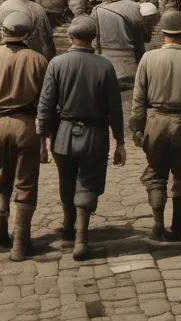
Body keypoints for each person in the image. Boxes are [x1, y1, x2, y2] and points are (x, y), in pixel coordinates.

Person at [37, 15, 125, 261]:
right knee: (87, 182)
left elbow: (45, 104)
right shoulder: (105, 66)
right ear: (93, 39)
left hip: (63, 135)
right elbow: (114, 109)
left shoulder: (57, 63)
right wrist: (120, 140)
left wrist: (43, 137)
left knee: (66, 180)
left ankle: (68, 226)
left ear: (70, 37)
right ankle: (81, 238)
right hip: (95, 135)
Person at [130, 10, 181, 242]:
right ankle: (178, 227)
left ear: (163, 35)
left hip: (156, 120)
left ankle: (157, 224)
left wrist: (136, 127)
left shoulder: (148, 58)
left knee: (156, 175)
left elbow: (138, 98)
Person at [0, 11, 49, 261]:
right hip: (26, 126)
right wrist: (45, 136)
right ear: (28, 34)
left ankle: (0, 218)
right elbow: (46, 103)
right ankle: (21, 242)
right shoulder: (39, 60)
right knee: (26, 182)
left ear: (3, 32)